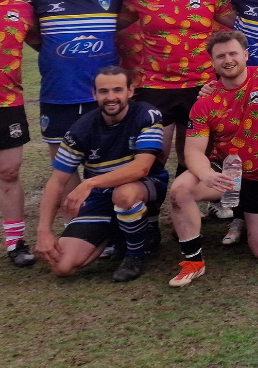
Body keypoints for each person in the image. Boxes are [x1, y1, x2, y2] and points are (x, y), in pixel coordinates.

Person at [167, 30, 258, 286]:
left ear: (245, 55)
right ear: (212, 62)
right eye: (220, 56)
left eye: (233, 53)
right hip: (227, 174)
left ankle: (257, 214)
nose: (228, 59)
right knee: (180, 190)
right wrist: (206, 174)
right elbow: (192, 151)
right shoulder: (204, 101)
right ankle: (193, 262)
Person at [33, 67, 167, 282]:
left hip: (143, 185)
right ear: (94, 94)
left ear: (130, 91)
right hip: (102, 196)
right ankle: (118, 231)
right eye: (103, 91)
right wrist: (44, 231)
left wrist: (90, 183)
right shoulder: (81, 129)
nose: (111, 97)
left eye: (118, 90)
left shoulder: (146, 115)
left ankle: (134, 254)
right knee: (62, 266)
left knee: (123, 195)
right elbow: (56, 182)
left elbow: (141, 168)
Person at [118, 0, 234, 171]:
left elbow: (238, 25)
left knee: (190, 155)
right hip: (155, 85)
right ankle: (149, 205)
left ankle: (184, 201)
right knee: (154, 154)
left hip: (201, 85)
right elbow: (114, 27)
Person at [29, 0, 131, 159]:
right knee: (63, 163)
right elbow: (28, 31)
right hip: (59, 94)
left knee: (109, 160)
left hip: (107, 94)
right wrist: (50, 50)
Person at [0, 0, 35, 266]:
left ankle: (15, 243)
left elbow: (42, 43)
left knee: (9, 172)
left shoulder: (23, 10)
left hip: (8, 104)